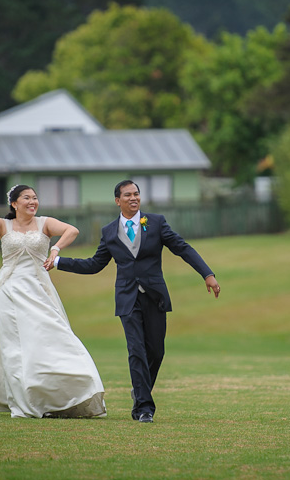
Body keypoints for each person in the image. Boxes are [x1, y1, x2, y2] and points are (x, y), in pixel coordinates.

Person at [46, 180, 219, 423]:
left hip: (156, 297)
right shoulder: (109, 232)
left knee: (156, 352)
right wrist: (58, 262)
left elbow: (182, 248)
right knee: (136, 350)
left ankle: (140, 389)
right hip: (128, 299)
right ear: (118, 200)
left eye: (136, 194)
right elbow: (95, 265)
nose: (133, 198)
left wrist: (207, 274)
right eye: (127, 195)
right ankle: (144, 408)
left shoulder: (156, 222)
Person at [0, 181, 106, 419]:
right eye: (27, 198)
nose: (33, 202)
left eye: (35, 197)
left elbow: (72, 230)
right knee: (15, 349)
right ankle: (23, 403)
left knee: (55, 338)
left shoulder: (45, 223)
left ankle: (74, 392)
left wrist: (55, 250)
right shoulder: (3, 226)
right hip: (10, 292)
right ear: (14, 203)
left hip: (38, 290)